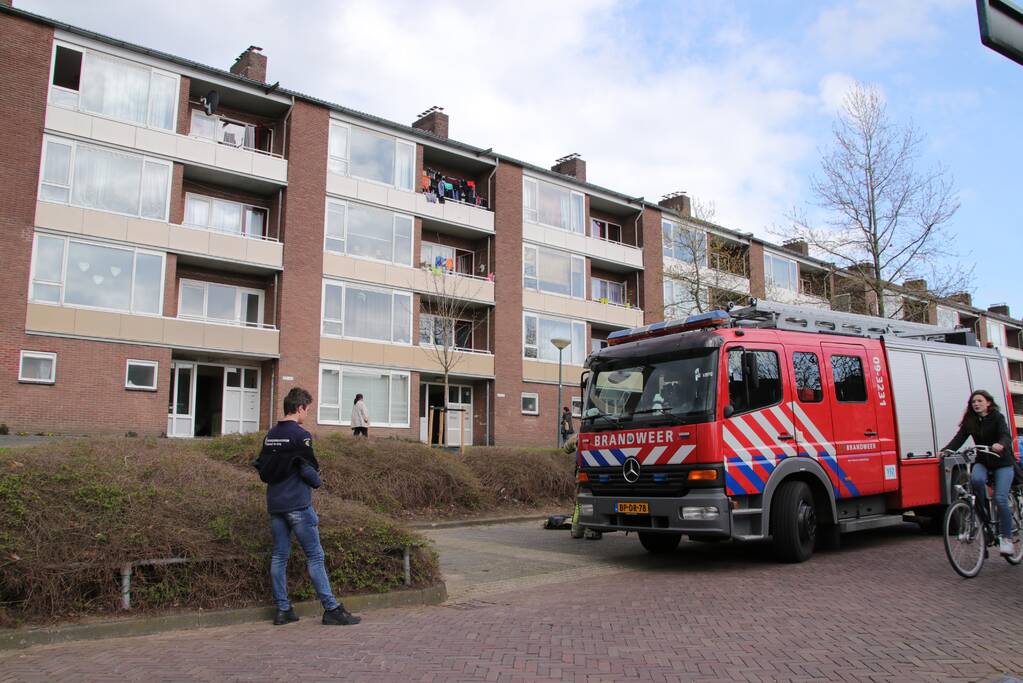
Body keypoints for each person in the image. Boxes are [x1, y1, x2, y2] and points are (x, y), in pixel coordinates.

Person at [253, 387, 361, 626]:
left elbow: (262, 466)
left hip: (275, 504)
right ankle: (331, 608)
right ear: (299, 408)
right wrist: (318, 481)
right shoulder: (300, 435)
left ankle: (283, 610)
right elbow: (307, 469)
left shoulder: (270, 435)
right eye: (307, 410)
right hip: (298, 505)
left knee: (279, 556)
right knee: (315, 555)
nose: (307, 414)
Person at [942, 389, 1015, 555]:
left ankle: (1007, 538)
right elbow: (959, 438)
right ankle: (983, 514)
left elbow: (1005, 434)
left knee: (1000, 498)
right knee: (975, 481)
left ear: (988, 402)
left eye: (980, 401)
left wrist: (1001, 444)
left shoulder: (997, 417)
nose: (976, 404)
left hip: (1002, 463)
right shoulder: (971, 420)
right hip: (983, 462)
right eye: (973, 402)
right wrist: (946, 450)